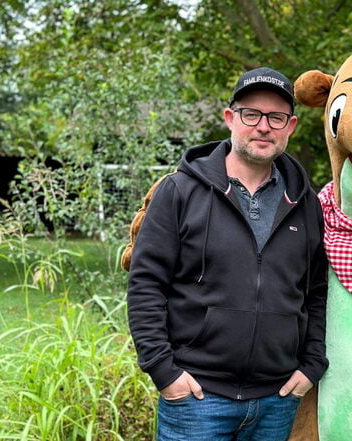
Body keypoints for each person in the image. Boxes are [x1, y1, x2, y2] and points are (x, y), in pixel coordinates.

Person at [127, 67, 328, 441]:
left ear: (291, 126)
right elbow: (146, 284)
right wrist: (164, 372)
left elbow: (316, 292)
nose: (263, 126)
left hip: (277, 398)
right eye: (251, 114)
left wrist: (312, 366)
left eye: (276, 117)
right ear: (230, 118)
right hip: (196, 399)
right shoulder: (180, 192)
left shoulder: (305, 205)